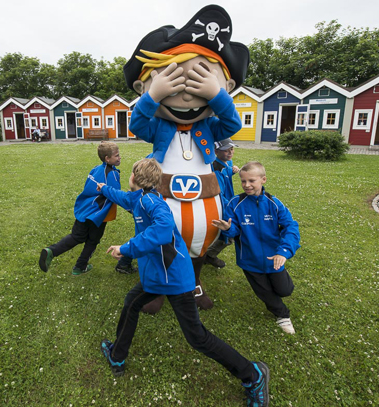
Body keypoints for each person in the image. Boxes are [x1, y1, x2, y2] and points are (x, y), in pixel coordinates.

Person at [97, 158, 270, 407]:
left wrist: (126, 248)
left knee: (197, 337)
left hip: (174, 279)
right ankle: (116, 355)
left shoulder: (154, 204)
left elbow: (162, 230)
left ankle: (253, 375)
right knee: (131, 304)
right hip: (156, 277)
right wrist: (104, 189)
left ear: (133, 177)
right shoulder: (139, 198)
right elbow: (123, 197)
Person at [123, 4, 250, 313]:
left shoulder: (209, 125)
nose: (187, 96)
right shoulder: (158, 125)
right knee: (158, 240)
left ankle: (193, 283)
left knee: (198, 244)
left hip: (204, 197)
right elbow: (136, 124)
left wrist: (216, 94)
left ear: (228, 87)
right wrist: (153, 96)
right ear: (143, 86)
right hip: (162, 195)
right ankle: (156, 289)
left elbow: (233, 124)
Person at [212, 161, 301, 334]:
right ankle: (282, 315)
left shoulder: (274, 204)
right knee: (265, 292)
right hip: (250, 260)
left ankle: (281, 281)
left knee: (285, 290)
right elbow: (235, 229)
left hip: (274, 258)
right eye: (243, 181)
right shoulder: (235, 203)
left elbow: (291, 227)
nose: (247, 185)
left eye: (252, 181)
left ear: (263, 180)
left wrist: (283, 252)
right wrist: (229, 229)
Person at [38, 141, 135, 275]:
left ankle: (52, 251)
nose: (119, 158)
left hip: (84, 210)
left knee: (76, 236)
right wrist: (132, 208)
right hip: (98, 215)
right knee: (93, 240)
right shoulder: (112, 174)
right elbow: (115, 195)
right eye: (117, 156)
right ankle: (80, 266)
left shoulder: (95, 169)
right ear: (107, 158)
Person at [205, 138, 239, 268]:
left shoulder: (227, 162)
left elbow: (227, 173)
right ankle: (207, 256)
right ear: (216, 151)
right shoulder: (216, 169)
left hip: (228, 202)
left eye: (232, 149)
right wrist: (231, 206)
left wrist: (232, 171)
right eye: (226, 150)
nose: (230, 152)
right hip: (224, 205)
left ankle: (207, 254)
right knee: (228, 237)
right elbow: (219, 194)